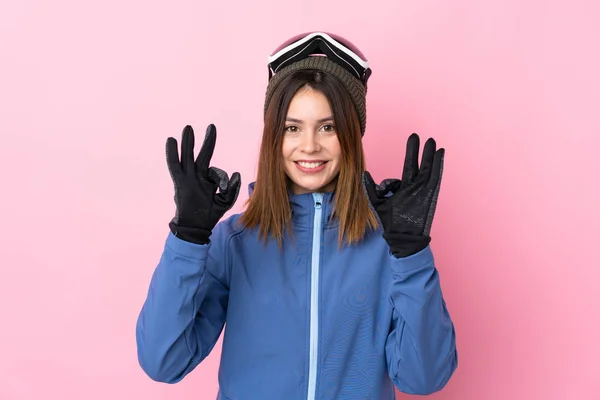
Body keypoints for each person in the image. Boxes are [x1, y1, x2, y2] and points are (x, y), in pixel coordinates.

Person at [136, 31, 458, 399]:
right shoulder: (234, 243)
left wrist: (412, 255)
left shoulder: (389, 245)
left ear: (351, 136)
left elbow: (423, 378)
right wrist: (187, 238)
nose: (309, 146)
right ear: (274, 137)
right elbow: (163, 361)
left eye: (328, 127)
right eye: (292, 128)